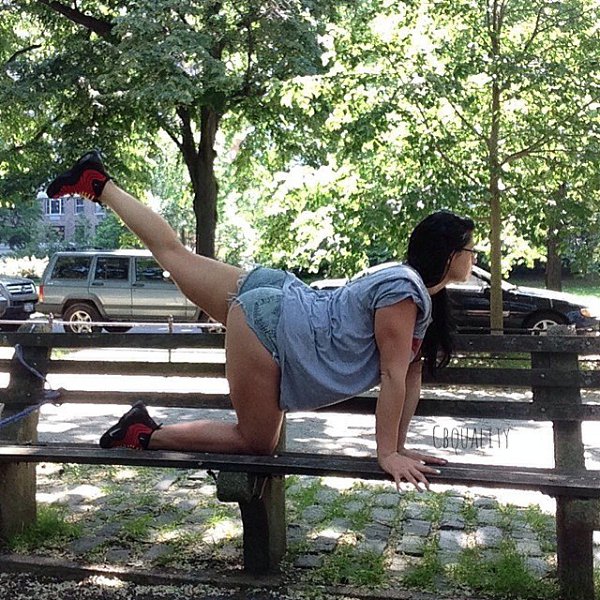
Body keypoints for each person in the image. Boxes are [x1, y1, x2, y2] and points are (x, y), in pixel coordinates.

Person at [46, 151, 477, 491]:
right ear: (449, 255)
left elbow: (410, 378)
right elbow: (392, 376)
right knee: (255, 442)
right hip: (273, 323)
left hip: (277, 298)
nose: (474, 257)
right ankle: (144, 433)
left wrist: (399, 448)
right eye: (470, 249)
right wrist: (387, 454)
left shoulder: (416, 293)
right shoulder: (405, 291)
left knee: (175, 255)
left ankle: (99, 185)